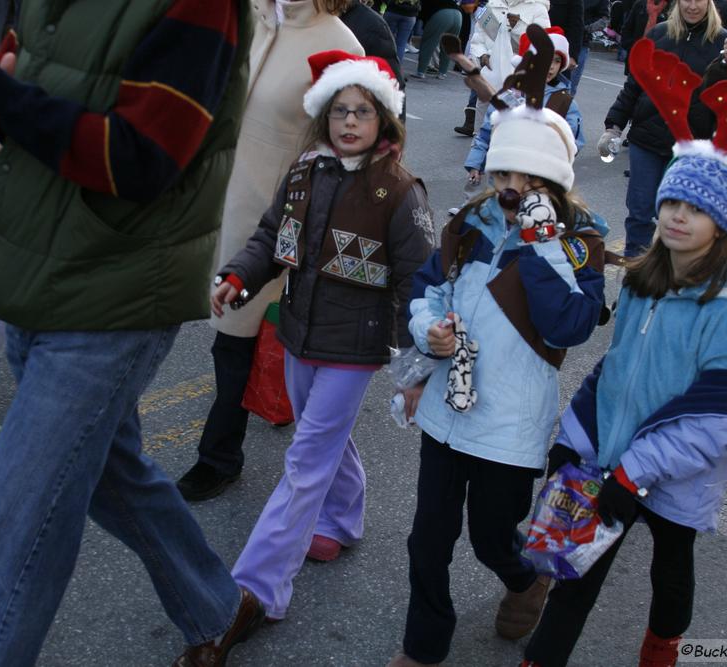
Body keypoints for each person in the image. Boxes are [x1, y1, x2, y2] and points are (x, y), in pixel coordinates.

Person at [0, 3, 263, 665]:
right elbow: (44, 109)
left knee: (15, 530)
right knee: (113, 468)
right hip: (38, 268)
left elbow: (143, 160)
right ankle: (220, 604)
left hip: (111, 290)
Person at [522, 38, 727, 667]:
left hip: (676, 475)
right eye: (670, 202)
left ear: (722, 222)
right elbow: (615, 371)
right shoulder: (640, 280)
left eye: (695, 208)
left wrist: (638, 472)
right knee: (578, 572)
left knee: (672, 566)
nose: (677, 217)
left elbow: (719, 417)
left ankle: (663, 645)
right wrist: (575, 434)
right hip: (612, 456)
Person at [388, 27, 607, 666]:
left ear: (555, 182)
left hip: (510, 423)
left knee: (490, 539)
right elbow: (427, 290)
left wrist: (539, 251)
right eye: (504, 171)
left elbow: (571, 326)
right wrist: (429, 328)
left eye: (529, 176)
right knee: (427, 541)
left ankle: (525, 578)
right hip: (447, 414)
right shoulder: (469, 226)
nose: (512, 187)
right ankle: (424, 645)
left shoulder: (578, 244)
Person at [216, 51, 432, 620]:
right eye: (340, 111)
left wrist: (414, 370)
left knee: (306, 458)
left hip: (355, 348)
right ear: (324, 116)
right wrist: (238, 275)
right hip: (297, 332)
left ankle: (257, 589)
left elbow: (419, 285)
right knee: (323, 436)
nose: (350, 123)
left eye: (363, 111)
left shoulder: (400, 191)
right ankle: (344, 516)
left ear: (385, 118)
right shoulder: (304, 172)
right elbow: (271, 238)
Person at [177, 0, 362, 504]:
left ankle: (219, 456)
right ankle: (273, 409)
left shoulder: (342, 45)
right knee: (223, 327)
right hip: (209, 195)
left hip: (272, 217)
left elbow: (349, 148)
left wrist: (306, 215)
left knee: (234, 338)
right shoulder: (247, 16)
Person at [599, 0, 727, 257]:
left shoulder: (724, 44)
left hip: (690, 148)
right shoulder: (658, 33)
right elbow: (634, 85)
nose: (692, 6)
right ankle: (634, 283)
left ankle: (666, 280)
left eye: (699, 0)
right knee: (639, 213)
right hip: (646, 140)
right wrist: (614, 125)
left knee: (678, 221)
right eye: (686, 0)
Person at [464, 27, 585, 195]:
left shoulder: (564, 102)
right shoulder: (511, 94)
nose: (551, 66)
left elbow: (572, 143)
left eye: (557, 61)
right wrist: (475, 164)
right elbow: (486, 132)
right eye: (546, 59)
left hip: (539, 182)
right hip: (503, 174)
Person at [411, 0, 463, 79]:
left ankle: (420, 72)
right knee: (448, 45)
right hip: (458, 15)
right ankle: (442, 73)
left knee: (428, 43)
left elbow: (422, 11)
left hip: (441, 14)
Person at [570, 0, 610, 96]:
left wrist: (586, 29)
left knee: (571, 85)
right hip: (560, 37)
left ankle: (564, 108)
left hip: (582, 42)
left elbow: (604, 19)